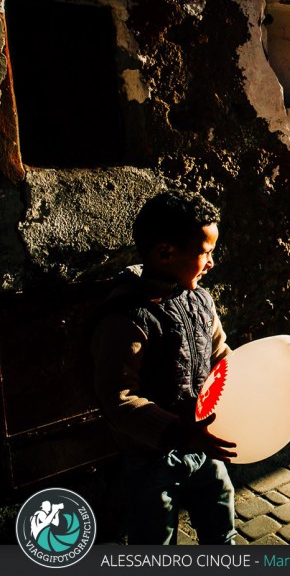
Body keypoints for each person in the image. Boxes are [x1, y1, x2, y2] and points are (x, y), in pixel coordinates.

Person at [91, 190, 237, 545]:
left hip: (204, 445)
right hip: (151, 460)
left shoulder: (201, 300)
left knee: (222, 529)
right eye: (205, 253)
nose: (211, 263)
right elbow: (119, 398)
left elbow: (221, 357)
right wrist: (178, 433)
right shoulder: (128, 317)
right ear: (165, 253)